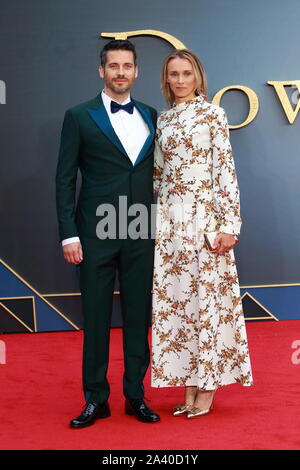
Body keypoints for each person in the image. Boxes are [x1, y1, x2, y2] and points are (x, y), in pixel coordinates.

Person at [56, 40, 160, 427]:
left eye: (127, 66)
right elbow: (65, 178)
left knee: (138, 317)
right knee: (96, 318)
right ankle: (96, 398)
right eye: (113, 65)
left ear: (136, 71)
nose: (120, 72)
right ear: (101, 71)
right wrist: (69, 234)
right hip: (95, 232)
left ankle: (135, 394)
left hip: (140, 230)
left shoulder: (151, 114)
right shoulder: (79, 116)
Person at [151, 49, 253, 418]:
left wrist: (228, 225)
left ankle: (208, 387)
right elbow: (158, 176)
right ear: (166, 79)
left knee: (208, 305)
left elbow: (224, 170)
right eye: (173, 74)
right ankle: (188, 385)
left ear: (198, 77)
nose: (179, 80)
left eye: (186, 73)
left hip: (206, 222)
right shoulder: (163, 120)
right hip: (171, 226)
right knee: (178, 305)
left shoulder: (213, 113)